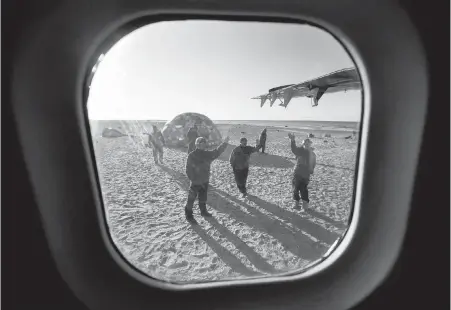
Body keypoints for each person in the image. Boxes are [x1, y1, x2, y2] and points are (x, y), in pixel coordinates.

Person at [185, 136, 229, 222]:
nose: (203, 145)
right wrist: (193, 179)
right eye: (201, 143)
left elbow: (217, 152)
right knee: (191, 199)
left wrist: (225, 143)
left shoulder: (207, 154)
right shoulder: (192, 155)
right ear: (197, 144)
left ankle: (203, 211)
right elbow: (188, 169)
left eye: (204, 143)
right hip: (195, 182)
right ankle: (188, 214)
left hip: (205, 181)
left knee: (203, 197)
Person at [288, 133, 316, 209]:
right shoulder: (300, 151)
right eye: (305, 144)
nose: (306, 145)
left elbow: (313, 164)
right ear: (303, 144)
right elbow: (294, 149)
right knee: (295, 189)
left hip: (305, 175)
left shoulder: (312, 154)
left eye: (308, 144)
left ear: (310, 145)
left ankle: (305, 204)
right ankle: (296, 203)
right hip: (297, 173)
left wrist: (311, 170)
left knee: (304, 189)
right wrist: (292, 140)